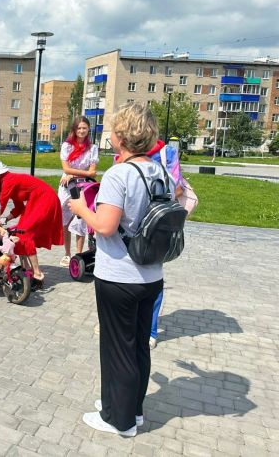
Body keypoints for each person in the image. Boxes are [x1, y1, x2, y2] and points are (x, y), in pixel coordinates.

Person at [69, 103, 169, 437]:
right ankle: (130, 409)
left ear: (122, 136)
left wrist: (81, 208)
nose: (108, 135)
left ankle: (119, 421)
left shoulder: (119, 174)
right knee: (138, 346)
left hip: (119, 277)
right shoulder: (159, 171)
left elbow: (106, 226)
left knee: (117, 349)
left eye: (112, 130)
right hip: (151, 275)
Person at [0, 160, 63, 288]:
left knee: (25, 234)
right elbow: (19, 207)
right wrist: (5, 219)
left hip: (44, 199)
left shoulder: (8, 180)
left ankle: (37, 274)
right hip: (38, 200)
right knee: (20, 233)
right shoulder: (9, 181)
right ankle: (26, 270)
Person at [146, 139, 185, 349]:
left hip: (157, 224)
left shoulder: (166, 153)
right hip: (131, 226)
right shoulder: (125, 150)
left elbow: (177, 190)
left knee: (153, 276)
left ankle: (151, 331)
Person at [58, 116, 98, 267]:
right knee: (65, 219)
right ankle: (67, 254)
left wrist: (74, 174)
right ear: (74, 130)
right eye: (79, 128)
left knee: (81, 218)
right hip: (67, 186)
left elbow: (93, 172)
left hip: (83, 186)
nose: (81, 131)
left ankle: (79, 254)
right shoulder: (67, 146)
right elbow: (65, 168)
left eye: (84, 128)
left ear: (88, 129)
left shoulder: (92, 148)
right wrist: (84, 173)